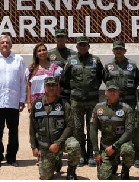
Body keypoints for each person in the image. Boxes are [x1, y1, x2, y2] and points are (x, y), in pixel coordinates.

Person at [0, 33, 28, 168]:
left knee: (13, 131)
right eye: (2, 43)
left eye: (7, 42)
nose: (5, 45)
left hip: (13, 102)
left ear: (11, 45)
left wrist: (22, 100)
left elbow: (23, 82)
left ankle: (11, 156)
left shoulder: (18, 60)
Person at [60, 35, 104, 166]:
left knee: (92, 127)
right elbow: (64, 79)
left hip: (92, 100)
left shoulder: (96, 61)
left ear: (88, 46)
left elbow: (101, 77)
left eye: (85, 45)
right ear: (77, 47)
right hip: (76, 101)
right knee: (77, 128)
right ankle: (81, 154)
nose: (83, 47)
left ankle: (91, 154)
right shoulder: (71, 61)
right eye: (80, 45)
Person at [29, 76, 81, 180]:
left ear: (57, 87)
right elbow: (32, 128)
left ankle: (71, 171)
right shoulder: (37, 104)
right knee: (45, 177)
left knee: (74, 145)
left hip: (61, 143)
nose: (51, 88)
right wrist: (34, 147)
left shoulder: (64, 104)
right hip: (45, 147)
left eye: (54, 85)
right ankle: (56, 161)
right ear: (44, 87)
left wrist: (58, 143)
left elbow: (70, 126)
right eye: (49, 85)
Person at [104, 41, 139, 168]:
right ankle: (115, 155)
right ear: (113, 51)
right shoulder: (108, 66)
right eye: (116, 49)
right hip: (115, 103)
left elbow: (137, 80)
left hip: (130, 101)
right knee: (115, 127)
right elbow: (106, 80)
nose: (118, 51)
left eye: (121, 49)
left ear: (125, 51)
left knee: (133, 127)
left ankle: (136, 155)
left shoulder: (132, 65)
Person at [90, 81, 137, 180]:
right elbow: (93, 130)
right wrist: (97, 152)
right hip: (106, 148)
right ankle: (113, 164)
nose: (112, 93)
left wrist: (115, 146)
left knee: (128, 150)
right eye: (110, 90)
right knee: (103, 177)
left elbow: (129, 131)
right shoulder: (98, 108)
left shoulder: (126, 109)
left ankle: (125, 170)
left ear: (118, 92)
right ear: (105, 92)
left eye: (114, 90)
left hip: (121, 146)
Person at [27, 42, 63, 108]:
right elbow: (29, 86)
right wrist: (29, 103)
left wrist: (58, 101)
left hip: (51, 102)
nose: (42, 52)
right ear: (36, 54)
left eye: (44, 50)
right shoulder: (31, 69)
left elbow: (58, 86)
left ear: (47, 52)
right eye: (39, 51)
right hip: (35, 103)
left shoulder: (55, 68)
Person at [47, 28, 77, 103]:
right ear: (55, 39)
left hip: (70, 90)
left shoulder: (73, 54)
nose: (60, 39)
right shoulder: (49, 54)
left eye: (62, 37)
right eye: (58, 37)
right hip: (54, 90)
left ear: (66, 38)